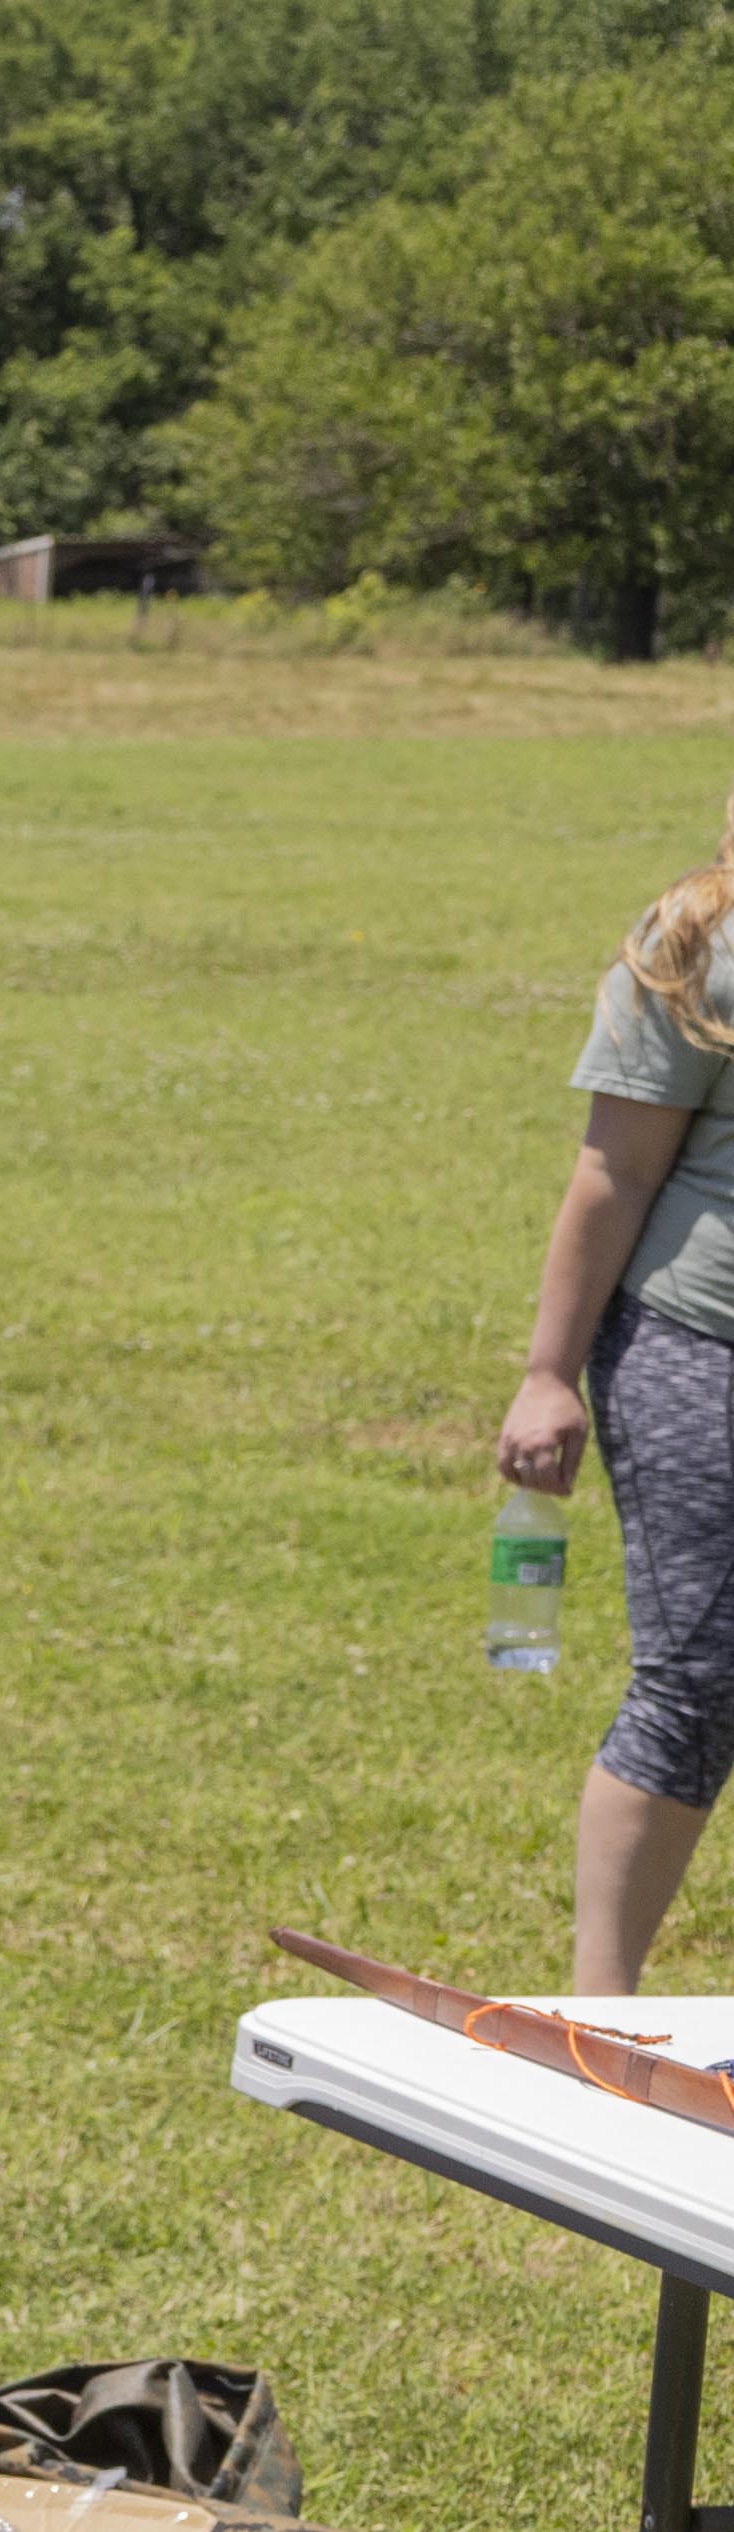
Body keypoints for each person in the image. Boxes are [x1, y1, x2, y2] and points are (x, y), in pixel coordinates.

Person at [508, 794, 734, 1985]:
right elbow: (611, 1171)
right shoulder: (698, 946)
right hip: (701, 1350)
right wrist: (548, 1373)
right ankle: (600, 2020)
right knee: (697, 1678)